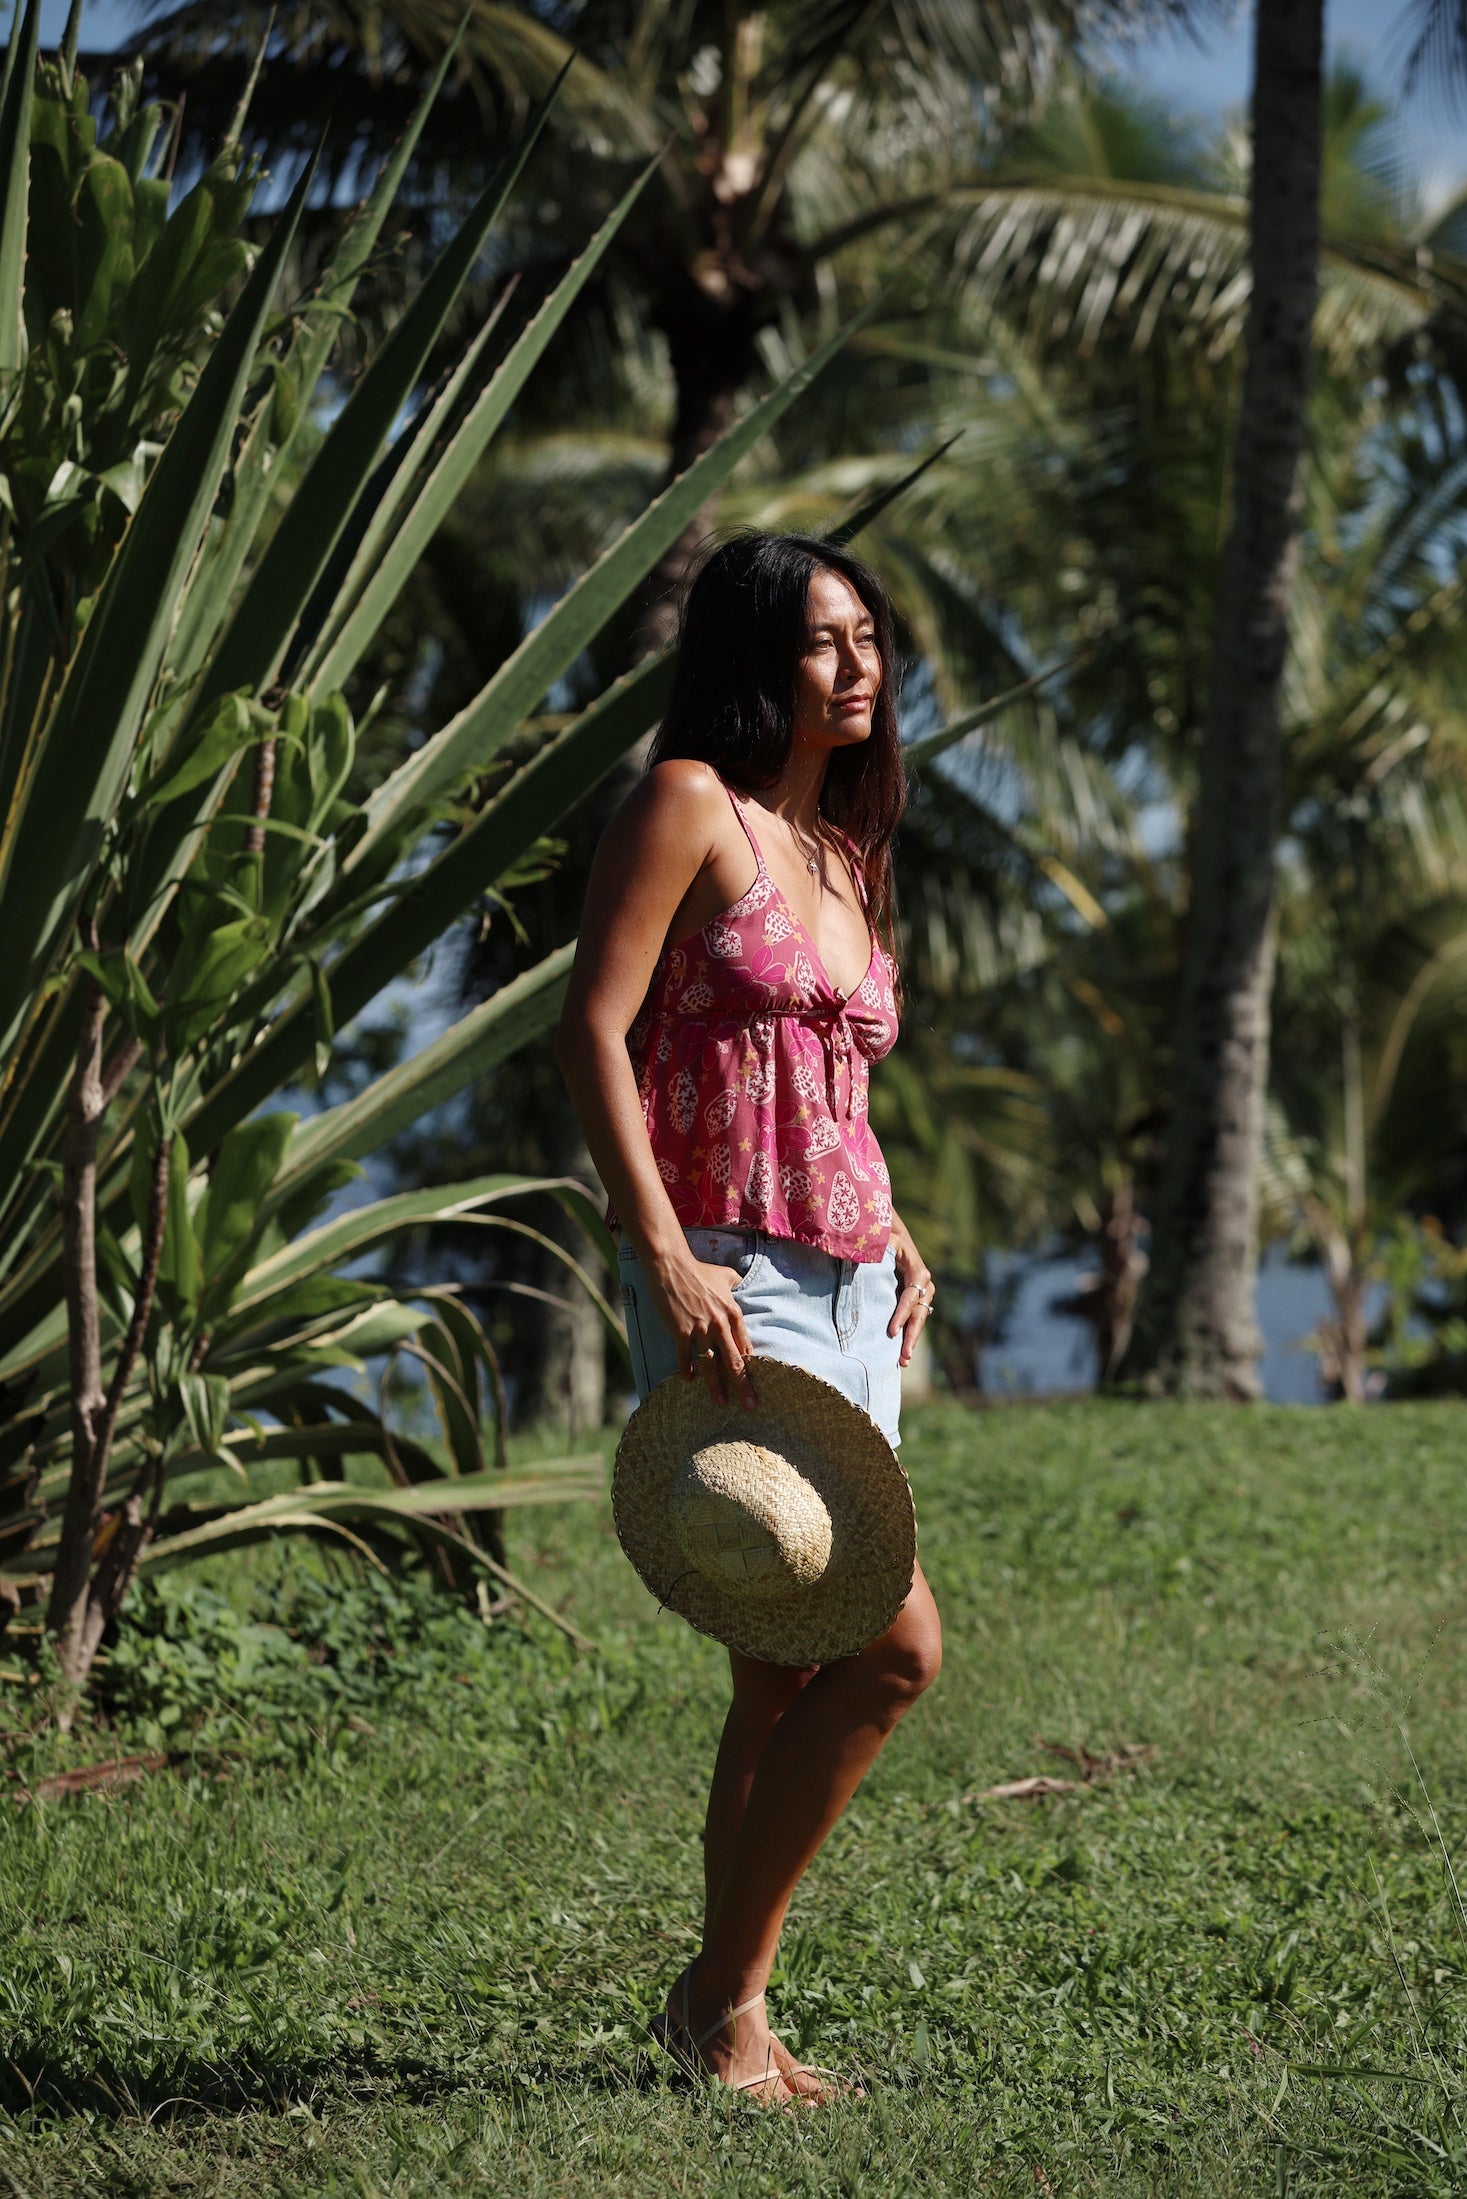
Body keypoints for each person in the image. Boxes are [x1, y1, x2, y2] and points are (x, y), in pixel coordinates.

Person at [556, 531, 942, 2106]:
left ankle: (734, 2023)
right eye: (824, 643)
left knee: (783, 1669)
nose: (859, 668)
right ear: (752, 657)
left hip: (855, 1282)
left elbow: (826, 1084)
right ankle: (716, 1995)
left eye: (868, 640)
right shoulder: (687, 808)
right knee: (897, 1649)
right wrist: (660, 1250)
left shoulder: (842, 848)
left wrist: (898, 1221)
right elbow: (595, 1026)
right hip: (735, 1274)